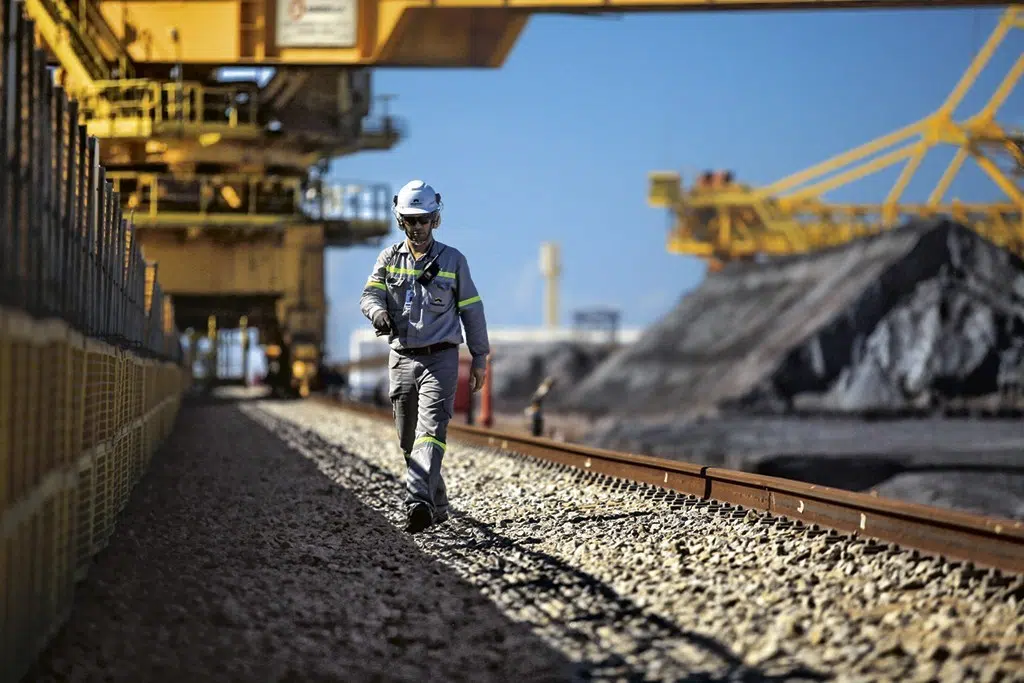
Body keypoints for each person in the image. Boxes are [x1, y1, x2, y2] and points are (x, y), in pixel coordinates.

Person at [359, 180, 490, 533]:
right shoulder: (388, 259)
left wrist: (480, 357)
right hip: (402, 358)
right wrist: (377, 312)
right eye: (411, 220)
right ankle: (438, 502)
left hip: (440, 359)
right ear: (400, 221)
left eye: (424, 220)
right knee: (408, 439)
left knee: (429, 431)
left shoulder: (453, 261)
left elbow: (472, 311)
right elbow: (369, 295)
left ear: (436, 219)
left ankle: (417, 502)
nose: (418, 227)